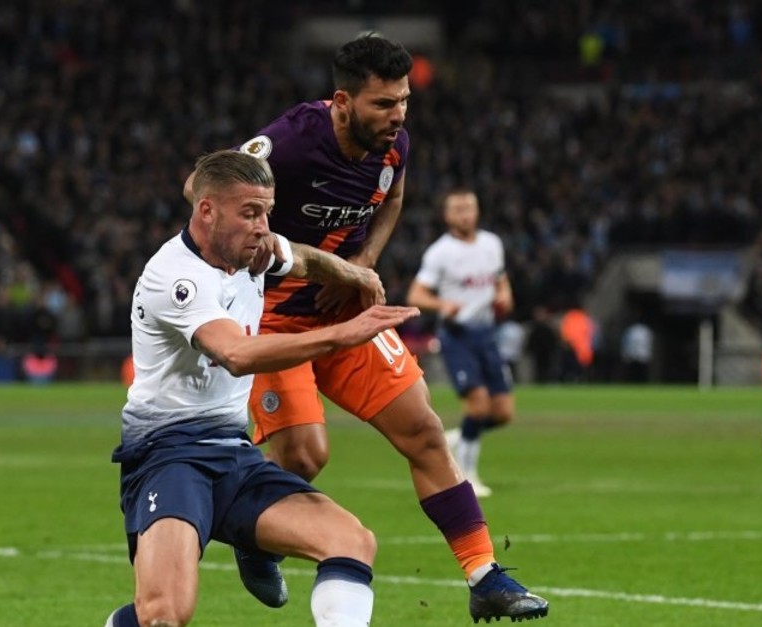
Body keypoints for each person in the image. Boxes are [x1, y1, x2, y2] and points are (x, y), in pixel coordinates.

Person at [202, 35, 548, 622]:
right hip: (274, 320)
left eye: (404, 101)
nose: (398, 116)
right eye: (384, 104)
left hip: (345, 315)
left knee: (424, 430)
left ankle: (484, 575)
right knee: (305, 457)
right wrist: (308, 264)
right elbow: (204, 189)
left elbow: (393, 200)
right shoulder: (289, 144)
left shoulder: (393, 146)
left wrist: (360, 264)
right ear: (342, 102)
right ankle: (252, 536)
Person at [105, 150, 421, 627]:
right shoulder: (176, 277)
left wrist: (355, 273)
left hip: (233, 454)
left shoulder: (254, 253)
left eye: (267, 212)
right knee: (164, 614)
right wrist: (344, 333)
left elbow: (304, 259)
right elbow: (236, 354)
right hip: (168, 456)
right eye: (250, 213)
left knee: (352, 541)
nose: (263, 227)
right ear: (207, 211)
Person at [407, 187, 516, 498]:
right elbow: (416, 294)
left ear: (477, 211)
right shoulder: (440, 253)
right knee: (478, 406)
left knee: (503, 412)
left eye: (469, 208)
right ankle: (467, 476)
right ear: (447, 215)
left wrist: (504, 294)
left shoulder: (492, 244)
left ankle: (460, 437)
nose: (465, 214)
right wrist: (443, 305)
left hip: (487, 333)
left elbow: (500, 279)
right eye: (458, 209)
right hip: (457, 336)